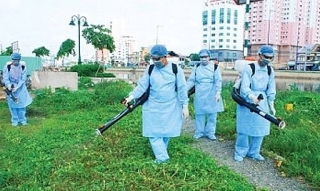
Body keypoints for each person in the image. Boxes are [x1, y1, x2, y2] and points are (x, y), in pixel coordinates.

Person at [122, 44, 189, 164]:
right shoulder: (151, 69)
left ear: (165, 56)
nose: (155, 61)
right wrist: (131, 97)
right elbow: (142, 86)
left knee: (166, 132)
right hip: (153, 105)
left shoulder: (176, 69)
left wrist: (185, 105)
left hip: (171, 106)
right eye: (153, 58)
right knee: (153, 132)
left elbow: (182, 88)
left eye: (158, 58)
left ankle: (162, 153)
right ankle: (163, 158)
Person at [233, 45, 276, 162]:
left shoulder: (269, 70)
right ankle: (240, 151)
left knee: (260, 127)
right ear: (260, 55)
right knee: (244, 127)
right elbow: (245, 87)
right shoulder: (249, 68)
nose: (268, 59)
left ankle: (254, 152)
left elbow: (271, 87)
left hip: (263, 101)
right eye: (266, 57)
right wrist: (251, 97)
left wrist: (271, 102)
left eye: (271, 58)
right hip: (248, 101)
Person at [186, 49, 224, 140]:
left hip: (212, 91)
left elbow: (218, 80)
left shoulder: (215, 67)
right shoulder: (197, 67)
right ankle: (199, 132)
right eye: (202, 57)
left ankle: (210, 132)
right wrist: (184, 89)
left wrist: (218, 92)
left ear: (209, 57)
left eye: (205, 57)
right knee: (199, 113)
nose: (203, 59)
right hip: (200, 91)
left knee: (212, 114)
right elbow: (191, 80)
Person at [2, 53, 33, 126]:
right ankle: (15, 120)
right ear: (12, 60)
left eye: (17, 60)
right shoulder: (7, 67)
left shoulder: (23, 67)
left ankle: (22, 120)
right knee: (13, 105)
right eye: (14, 60)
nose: (16, 62)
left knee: (22, 104)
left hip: (21, 88)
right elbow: (6, 78)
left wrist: (17, 87)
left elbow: (23, 79)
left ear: (19, 60)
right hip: (11, 89)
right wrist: (9, 86)